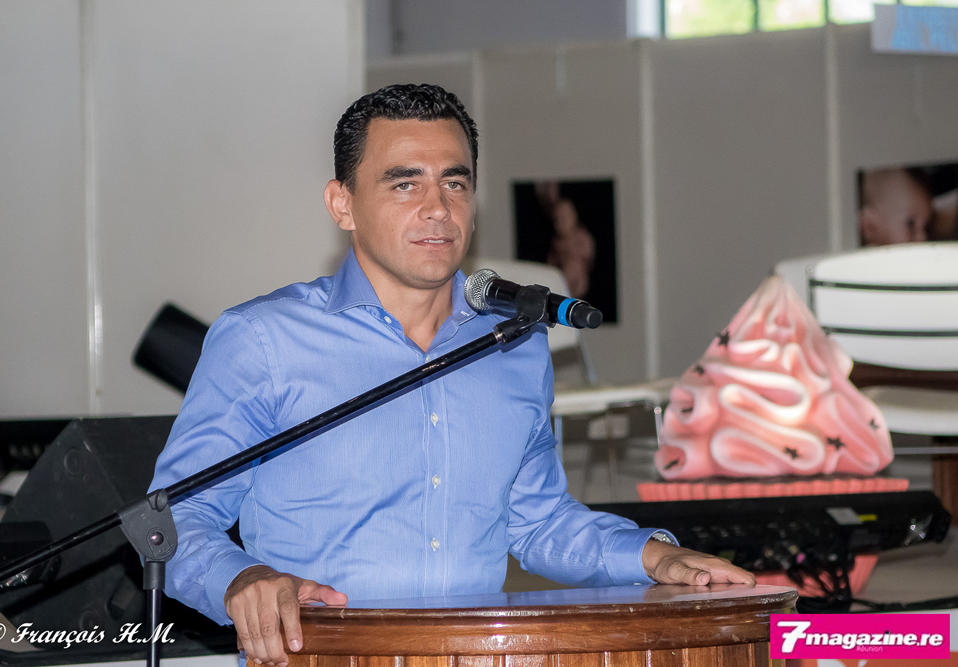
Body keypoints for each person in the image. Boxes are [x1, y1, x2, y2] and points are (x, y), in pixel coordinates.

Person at [149, 84, 754, 667]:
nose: (437, 207)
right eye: (404, 183)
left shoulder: (515, 345)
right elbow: (171, 521)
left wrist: (654, 558)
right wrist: (243, 579)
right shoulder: (263, 340)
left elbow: (537, 519)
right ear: (342, 204)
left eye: (455, 183)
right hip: (320, 658)